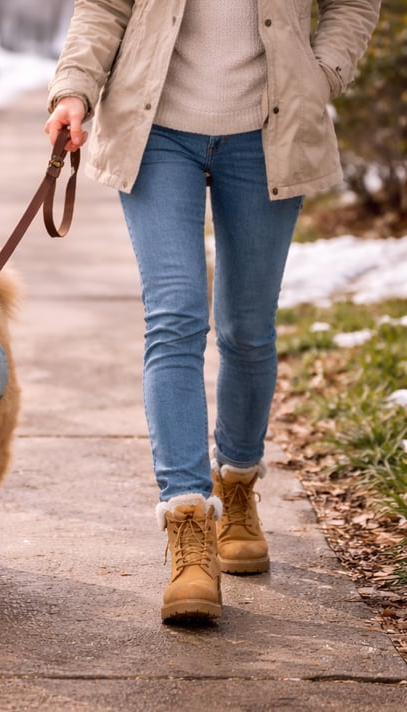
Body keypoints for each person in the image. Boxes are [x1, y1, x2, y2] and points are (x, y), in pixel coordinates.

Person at [45, 0, 380, 622]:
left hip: (269, 129)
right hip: (156, 130)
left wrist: (323, 70)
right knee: (174, 318)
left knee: (247, 330)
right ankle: (189, 521)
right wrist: (75, 90)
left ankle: (239, 483)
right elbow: (102, 8)